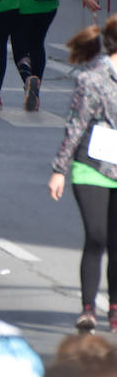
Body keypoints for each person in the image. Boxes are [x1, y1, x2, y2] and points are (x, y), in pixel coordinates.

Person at [50, 18, 117, 332]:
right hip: (92, 166)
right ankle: (88, 308)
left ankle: (114, 307)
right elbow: (75, 125)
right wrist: (59, 170)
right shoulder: (92, 79)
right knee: (97, 236)